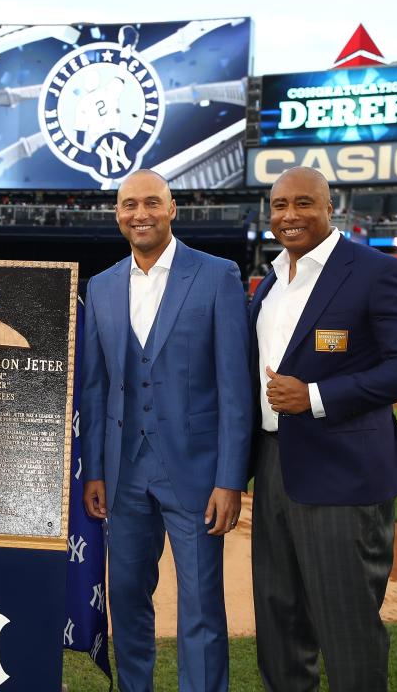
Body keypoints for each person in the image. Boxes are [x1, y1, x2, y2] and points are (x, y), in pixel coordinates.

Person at [80, 169, 251, 692]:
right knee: (127, 597)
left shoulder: (217, 275)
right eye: (129, 204)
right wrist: (95, 471)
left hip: (196, 473)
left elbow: (235, 387)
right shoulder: (102, 285)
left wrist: (230, 479)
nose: (141, 214)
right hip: (124, 471)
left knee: (201, 603)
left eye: (152, 202)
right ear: (117, 214)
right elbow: (95, 388)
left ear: (172, 208)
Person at [249, 166, 397, 692]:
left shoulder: (375, 271)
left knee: (347, 628)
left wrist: (317, 396)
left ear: (329, 209)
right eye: (279, 206)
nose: (289, 215)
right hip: (274, 467)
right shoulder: (273, 279)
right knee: (279, 624)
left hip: (344, 474)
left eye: (303, 203)